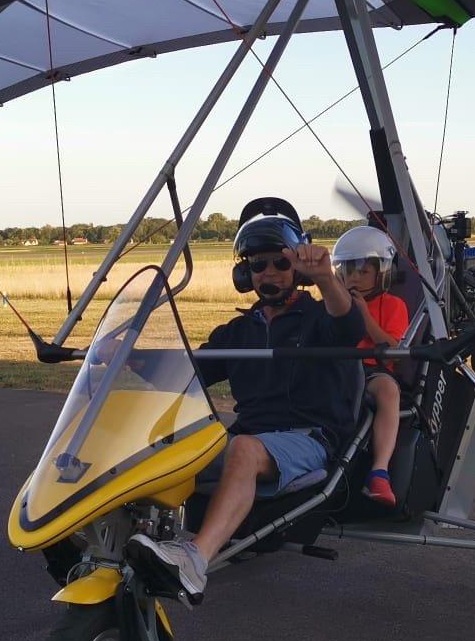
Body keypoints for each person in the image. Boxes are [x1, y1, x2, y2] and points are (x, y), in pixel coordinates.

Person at [127, 199, 364, 604]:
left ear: (297, 271)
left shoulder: (318, 319)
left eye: (280, 262)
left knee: (242, 448)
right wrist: (127, 358)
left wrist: (325, 277)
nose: (268, 272)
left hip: (308, 439)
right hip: (250, 439)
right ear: (245, 274)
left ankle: (194, 560)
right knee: (161, 448)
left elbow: (349, 326)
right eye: (258, 264)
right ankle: (123, 546)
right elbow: (189, 372)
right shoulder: (239, 332)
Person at [331, 226, 408, 507]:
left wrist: (363, 314)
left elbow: (392, 351)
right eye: (349, 271)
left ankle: (379, 471)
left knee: (388, 390)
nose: (355, 278)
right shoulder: (333, 304)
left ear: (382, 274)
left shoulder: (394, 305)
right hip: (337, 367)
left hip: (372, 370)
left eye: (363, 272)